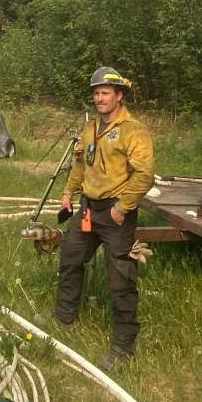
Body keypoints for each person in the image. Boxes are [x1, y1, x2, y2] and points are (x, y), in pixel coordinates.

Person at [54, 66, 154, 371]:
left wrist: (122, 208)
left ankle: (123, 347)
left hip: (116, 214)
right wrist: (68, 193)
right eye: (96, 93)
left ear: (119, 96)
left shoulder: (134, 131)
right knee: (70, 258)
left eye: (105, 93)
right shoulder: (90, 128)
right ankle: (64, 318)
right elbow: (80, 164)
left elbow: (144, 175)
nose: (99, 98)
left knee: (121, 279)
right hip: (88, 209)